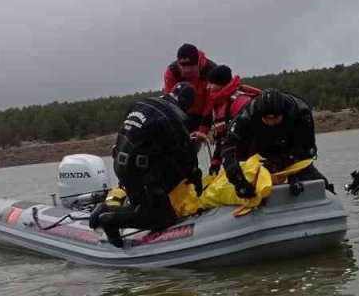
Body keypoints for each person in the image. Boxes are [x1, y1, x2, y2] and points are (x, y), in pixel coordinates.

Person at [90, 83, 202, 248]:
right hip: (139, 172)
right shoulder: (173, 115)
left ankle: (106, 209)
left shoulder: (142, 104)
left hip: (122, 165)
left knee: (140, 207)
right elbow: (184, 152)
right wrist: (195, 174)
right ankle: (110, 221)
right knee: (164, 218)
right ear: (187, 103)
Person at [221, 89, 332, 199]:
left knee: (314, 177)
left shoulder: (300, 112)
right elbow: (227, 149)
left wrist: (292, 171)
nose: (271, 122)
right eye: (267, 119)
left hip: (290, 149)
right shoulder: (246, 116)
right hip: (258, 151)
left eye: (275, 118)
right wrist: (238, 180)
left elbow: (308, 150)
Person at [204, 64, 261, 172]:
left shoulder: (239, 101)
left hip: (251, 160)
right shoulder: (219, 104)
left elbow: (253, 133)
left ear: (221, 83)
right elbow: (222, 137)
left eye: (211, 83)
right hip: (237, 159)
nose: (208, 87)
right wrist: (216, 162)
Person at [162, 43, 219, 138]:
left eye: (191, 67)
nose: (187, 70)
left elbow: (210, 102)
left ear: (198, 62)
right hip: (183, 112)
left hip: (206, 112)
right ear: (178, 63)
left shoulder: (210, 70)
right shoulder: (172, 72)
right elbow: (170, 103)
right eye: (183, 67)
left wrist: (203, 130)